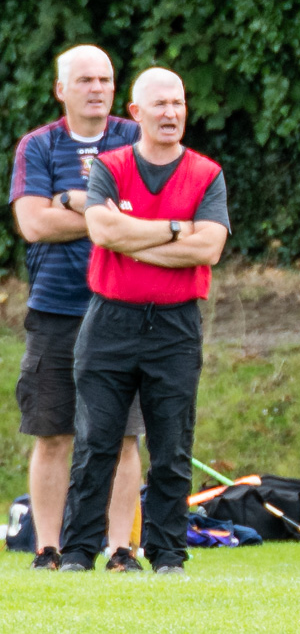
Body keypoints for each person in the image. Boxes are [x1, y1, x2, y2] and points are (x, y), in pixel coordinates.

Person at [57, 67, 230, 574]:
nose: (171, 113)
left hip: (175, 326)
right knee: (95, 443)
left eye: (177, 103)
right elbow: (104, 232)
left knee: (172, 447)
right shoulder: (109, 166)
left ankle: (168, 554)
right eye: (159, 105)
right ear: (136, 113)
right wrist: (178, 231)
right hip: (109, 320)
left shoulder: (206, 173)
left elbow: (210, 247)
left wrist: (138, 238)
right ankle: (77, 552)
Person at [8, 45, 145, 571]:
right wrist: (106, 216)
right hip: (57, 308)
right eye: (84, 79)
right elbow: (34, 224)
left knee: (124, 437)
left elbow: (148, 212)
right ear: (61, 89)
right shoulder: (37, 146)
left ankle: (118, 549)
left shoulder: (134, 139)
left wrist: (67, 199)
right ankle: (48, 548)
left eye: (106, 79)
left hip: (126, 307)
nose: (96, 88)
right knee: (53, 432)